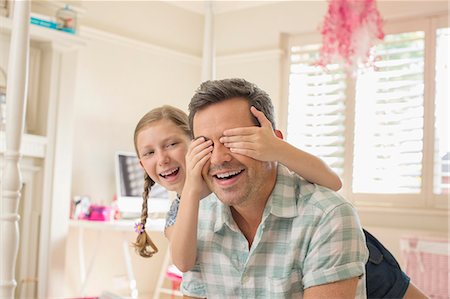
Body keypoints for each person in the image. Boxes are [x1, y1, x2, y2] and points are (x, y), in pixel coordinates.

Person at [180, 78, 369, 298]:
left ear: (274, 142)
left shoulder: (328, 215)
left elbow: (334, 183)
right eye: (206, 145)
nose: (218, 158)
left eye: (235, 140)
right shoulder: (198, 216)